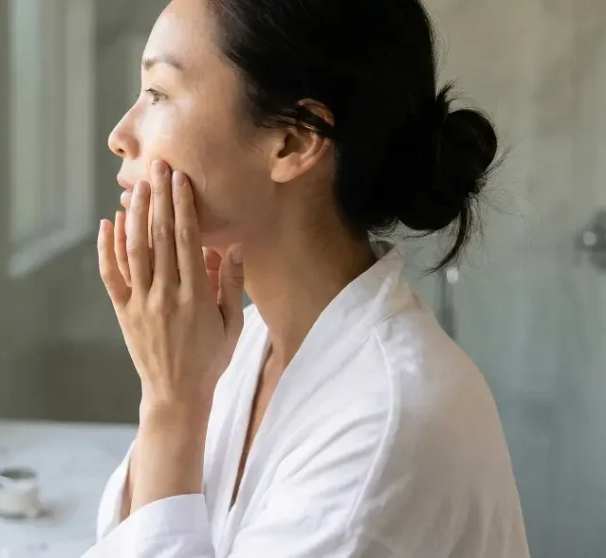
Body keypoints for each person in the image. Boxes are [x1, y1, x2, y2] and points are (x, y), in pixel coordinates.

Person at [86, 0, 529, 556]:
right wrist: (172, 397)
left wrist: (171, 408)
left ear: (293, 142)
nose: (120, 134)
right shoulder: (238, 345)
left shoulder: (384, 427)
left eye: (158, 93)